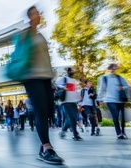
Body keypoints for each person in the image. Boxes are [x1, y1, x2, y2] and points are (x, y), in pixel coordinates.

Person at [19, 6, 64, 164]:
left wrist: (51, 79)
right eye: (35, 13)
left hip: (45, 77)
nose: (39, 14)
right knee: (40, 110)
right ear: (30, 16)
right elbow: (21, 54)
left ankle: (43, 147)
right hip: (31, 77)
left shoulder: (41, 36)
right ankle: (47, 148)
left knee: (48, 112)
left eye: (38, 12)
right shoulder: (25, 34)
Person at [97, 64, 130, 139]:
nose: (113, 70)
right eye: (112, 68)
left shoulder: (119, 77)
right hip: (110, 100)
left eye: (115, 68)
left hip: (120, 100)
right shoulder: (104, 78)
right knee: (115, 115)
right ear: (109, 69)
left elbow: (127, 86)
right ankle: (119, 133)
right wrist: (100, 99)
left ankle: (123, 131)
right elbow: (101, 89)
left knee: (122, 117)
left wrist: (122, 87)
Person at [56, 67, 82, 141]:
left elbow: (75, 91)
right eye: (72, 70)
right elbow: (56, 83)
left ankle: (63, 130)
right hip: (66, 101)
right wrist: (63, 87)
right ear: (69, 71)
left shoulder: (74, 80)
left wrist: (79, 98)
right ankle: (75, 134)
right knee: (71, 117)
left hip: (73, 101)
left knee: (72, 117)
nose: (73, 72)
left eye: (74, 70)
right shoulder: (64, 78)